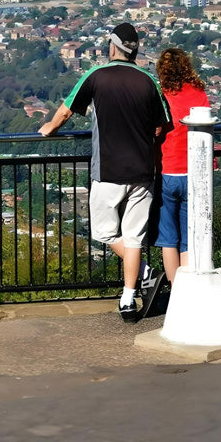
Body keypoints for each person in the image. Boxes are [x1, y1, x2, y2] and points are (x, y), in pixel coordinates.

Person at [39, 22, 170, 322]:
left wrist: (51, 127)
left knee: (105, 232)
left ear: (112, 47)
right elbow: (160, 126)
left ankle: (146, 273)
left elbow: (66, 109)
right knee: (134, 237)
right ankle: (128, 299)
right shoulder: (148, 81)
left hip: (108, 169)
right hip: (142, 171)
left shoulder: (96, 76)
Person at [151, 47, 209, 282]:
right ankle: (189, 290)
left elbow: (155, 128)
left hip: (168, 169)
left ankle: (177, 292)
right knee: (188, 238)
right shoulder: (198, 91)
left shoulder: (162, 94)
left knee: (168, 238)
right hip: (196, 171)